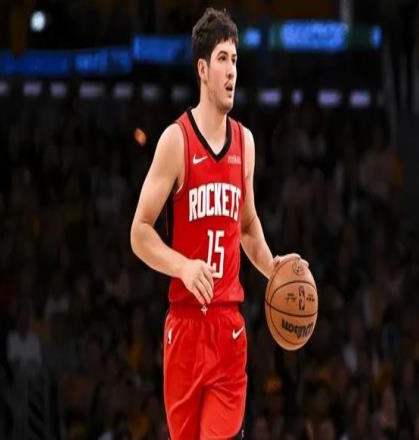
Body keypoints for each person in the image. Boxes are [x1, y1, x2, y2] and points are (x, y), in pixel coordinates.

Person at [130, 7, 303, 439]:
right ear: (203, 70)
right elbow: (139, 231)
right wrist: (183, 266)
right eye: (223, 59)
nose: (232, 71)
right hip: (185, 326)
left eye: (236, 60)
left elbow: (247, 225)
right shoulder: (176, 141)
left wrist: (272, 266)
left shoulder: (246, 142)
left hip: (228, 327)